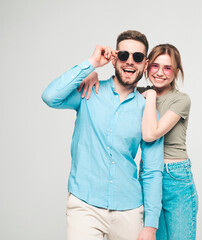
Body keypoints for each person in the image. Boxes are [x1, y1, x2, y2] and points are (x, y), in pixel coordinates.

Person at [41, 30, 164, 240]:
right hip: (84, 205)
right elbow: (50, 96)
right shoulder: (89, 91)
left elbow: (153, 170)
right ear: (115, 58)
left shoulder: (148, 110)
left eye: (137, 57)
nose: (130, 62)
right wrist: (91, 64)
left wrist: (151, 224)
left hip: (129, 209)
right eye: (124, 55)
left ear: (145, 63)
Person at [81, 43, 198, 239]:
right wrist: (92, 74)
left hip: (176, 178)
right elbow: (116, 81)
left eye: (167, 68)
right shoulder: (138, 92)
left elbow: (151, 134)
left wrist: (151, 95)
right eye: (155, 66)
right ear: (147, 66)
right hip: (149, 177)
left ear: (176, 72)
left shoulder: (180, 100)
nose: (160, 72)